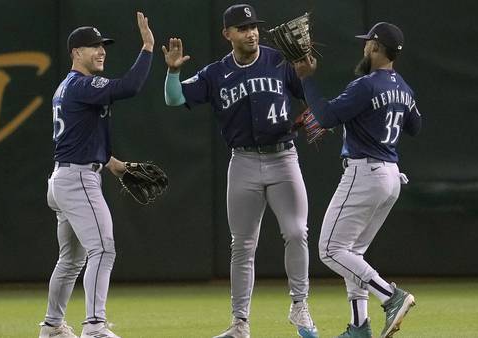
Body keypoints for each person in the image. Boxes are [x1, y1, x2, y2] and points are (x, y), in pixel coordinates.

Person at [162, 4, 318, 338]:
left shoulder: (279, 59)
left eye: (254, 27)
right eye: (243, 27)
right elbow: (174, 99)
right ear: (227, 34)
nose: (252, 32)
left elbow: (307, 95)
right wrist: (173, 72)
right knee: (242, 245)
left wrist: (306, 75)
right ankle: (240, 323)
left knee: (296, 232)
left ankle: (299, 305)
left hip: (283, 158)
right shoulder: (216, 73)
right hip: (244, 162)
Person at [293, 22, 421, 338]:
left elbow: (324, 116)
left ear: (376, 48)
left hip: (365, 172)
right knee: (352, 253)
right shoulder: (403, 87)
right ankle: (358, 328)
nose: (364, 47)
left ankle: (391, 296)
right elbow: (415, 126)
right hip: (391, 177)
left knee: (330, 250)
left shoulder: (365, 85)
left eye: (368, 43)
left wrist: (307, 80)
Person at [38, 12, 154, 338]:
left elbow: (80, 138)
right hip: (77, 180)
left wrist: (112, 163)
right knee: (102, 249)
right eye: (93, 47)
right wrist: (147, 47)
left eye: (102, 46)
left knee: (70, 260)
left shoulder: (66, 88)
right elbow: (129, 86)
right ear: (76, 52)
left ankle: (51, 327)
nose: (101, 51)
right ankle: (94, 327)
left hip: (64, 176)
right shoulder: (83, 84)